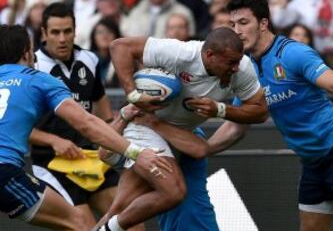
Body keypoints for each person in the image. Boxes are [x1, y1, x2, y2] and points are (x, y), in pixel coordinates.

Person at [0, 24, 171, 231]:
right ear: (27, 53)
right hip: (6, 169)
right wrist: (136, 152)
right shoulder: (38, 80)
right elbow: (87, 123)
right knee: (79, 222)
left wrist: (122, 117)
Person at [96, 27, 268, 231]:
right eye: (231, 62)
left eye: (238, 61)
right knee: (172, 192)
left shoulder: (243, 69)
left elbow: (260, 112)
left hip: (175, 131)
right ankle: (111, 227)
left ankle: (109, 226)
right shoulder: (181, 53)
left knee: (125, 207)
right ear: (209, 55)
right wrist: (134, 96)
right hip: (145, 126)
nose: (236, 68)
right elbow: (119, 47)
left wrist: (220, 110)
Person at [221, 0, 333, 231]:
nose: (237, 31)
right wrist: (201, 149)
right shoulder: (246, 71)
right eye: (232, 25)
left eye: (244, 23)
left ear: (263, 23)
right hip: (311, 163)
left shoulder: (292, 52)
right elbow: (237, 124)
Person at [28, 2, 119, 230]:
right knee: (84, 226)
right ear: (44, 34)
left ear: (75, 31)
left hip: (90, 158)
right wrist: (54, 140)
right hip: (52, 163)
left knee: (129, 220)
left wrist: (113, 135)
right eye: (55, 32)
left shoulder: (90, 60)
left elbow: (102, 107)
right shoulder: (32, 68)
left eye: (67, 31)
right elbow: (14, 125)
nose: (62, 39)